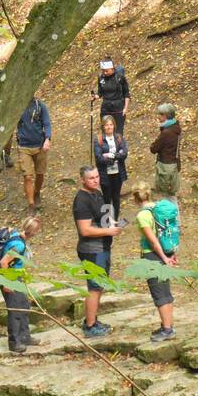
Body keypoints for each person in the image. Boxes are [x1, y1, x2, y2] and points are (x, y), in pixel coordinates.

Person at [72, 166, 124, 338]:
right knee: (94, 288)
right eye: (91, 178)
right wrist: (108, 232)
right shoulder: (82, 200)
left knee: (99, 287)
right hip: (91, 250)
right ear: (83, 180)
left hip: (103, 247)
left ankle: (93, 318)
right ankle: (90, 325)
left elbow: (103, 218)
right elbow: (85, 230)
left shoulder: (97, 194)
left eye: (96, 177)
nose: (95, 180)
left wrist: (114, 224)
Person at [132, 182, 178, 342]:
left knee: (159, 293)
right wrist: (171, 254)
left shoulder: (142, 215)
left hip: (152, 256)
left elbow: (153, 241)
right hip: (167, 251)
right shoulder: (159, 208)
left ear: (135, 198)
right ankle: (168, 324)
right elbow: (169, 231)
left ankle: (167, 329)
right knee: (166, 291)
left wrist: (163, 258)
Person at [0, 217, 42, 354]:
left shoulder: (16, 235)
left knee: (24, 306)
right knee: (15, 310)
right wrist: (6, 283)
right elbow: (4, 262)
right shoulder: (19, 245)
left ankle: (25, 336)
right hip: (11, 279)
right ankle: (14, 342)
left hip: (18, 278)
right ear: (32, 232)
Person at [16, 88, 52, 211]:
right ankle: (31, 204)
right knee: (28, 176)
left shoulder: (40, 105)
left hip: (40, 146)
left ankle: (37, 193)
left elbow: (47, 123)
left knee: (40, 174)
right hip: (24, 146)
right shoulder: (17, 106)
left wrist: (47, 139)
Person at [93, 114, 129, 220]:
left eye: (111, 124)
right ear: (103, 127)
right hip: (105, 174)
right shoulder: (98, 140)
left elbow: (124, 153)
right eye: (106, 125)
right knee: (107, 198)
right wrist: (116, 157)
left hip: (118, 173)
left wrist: (111, 155)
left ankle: (115, 220)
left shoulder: (118, 137)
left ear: (114, 125)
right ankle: (106, 221)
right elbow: (99, 157)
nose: (109, 127)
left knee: (116, 198)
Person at [150, 103, 181, 198]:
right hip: (174, 164)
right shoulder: (176, 127)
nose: (158, 117)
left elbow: (154, 149)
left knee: (165, 195)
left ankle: (168, 212)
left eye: (160, 114)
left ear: (166, 115)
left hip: (165, 166)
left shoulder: (167, 132)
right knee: (172, 194)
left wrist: (153, 144)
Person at [94, 58, 131, 135]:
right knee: (106, 131)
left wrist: (125, 108)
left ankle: (118, 146)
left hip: (118, 108)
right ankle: (106, 146)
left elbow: (126, 93)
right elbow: (100, 92)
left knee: (118, 133)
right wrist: (95, 96)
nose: (105, 72)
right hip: (105, 108)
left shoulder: (120, 77)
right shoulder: (101, 78)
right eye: (103, 70)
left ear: (112, 68)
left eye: (106, 70)